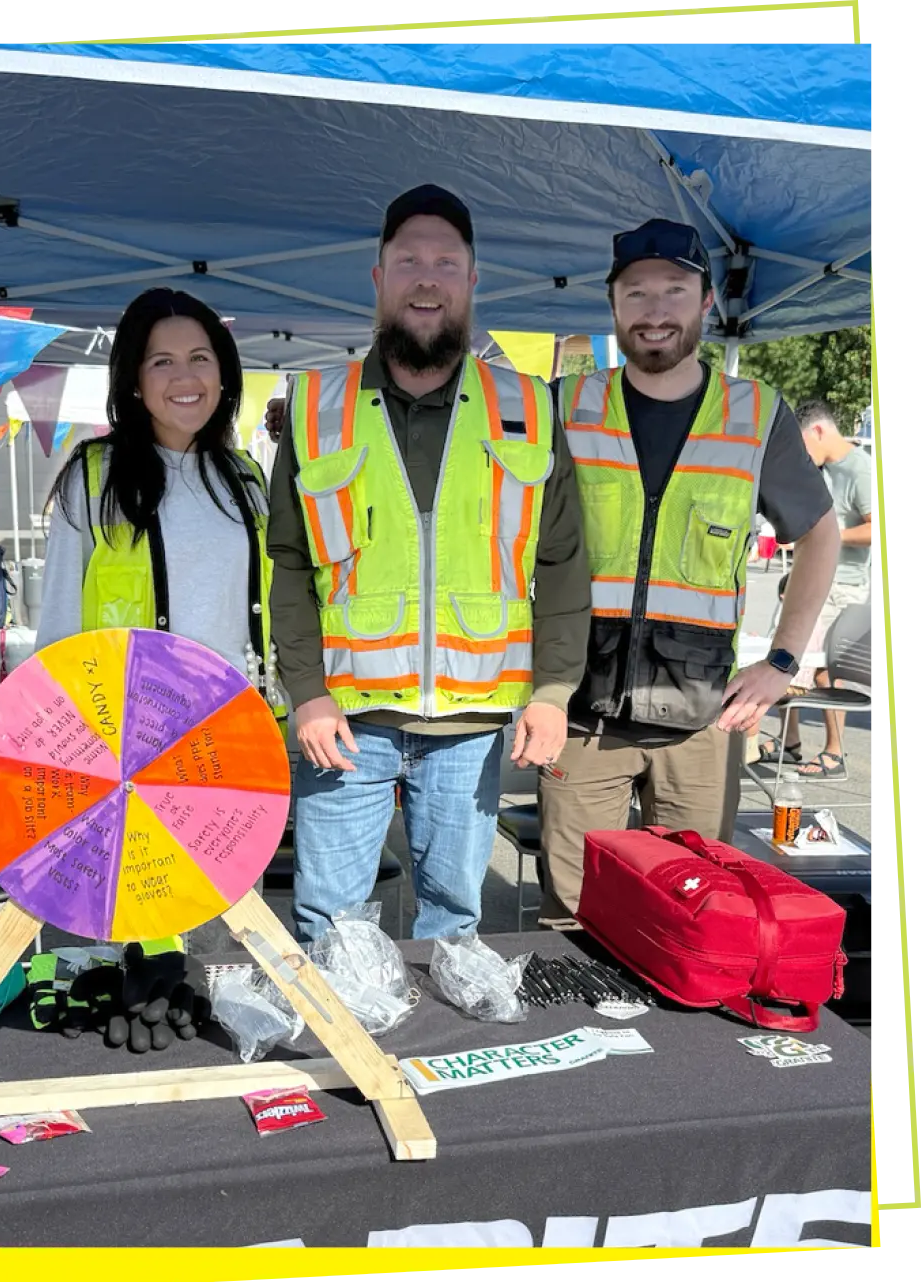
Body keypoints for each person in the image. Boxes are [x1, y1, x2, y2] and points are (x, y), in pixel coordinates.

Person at [265, 184, 590, 945]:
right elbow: (286, 563)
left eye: (446, 261)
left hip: (471, 727)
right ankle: (339, 1063)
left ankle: (434, 1064)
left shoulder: (531, 408)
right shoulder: (315, 407)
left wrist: (553, 689)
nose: (426, 276)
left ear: (473, 281)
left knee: (453, 927)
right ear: (376, 276)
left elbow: (566, 563)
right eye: (407, 259)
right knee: (330, 924)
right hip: (344, 723)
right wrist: (306, 692)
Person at [537, 217, 841, 928]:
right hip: (581, 723)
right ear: (611, 306)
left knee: (696, 919)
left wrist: (783, 663)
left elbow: (821, 535)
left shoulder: (756, 414)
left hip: (703, 723)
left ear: (705, 302)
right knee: (574, 924)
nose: (655, 309)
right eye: (636, 292)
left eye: (674, 290)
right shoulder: (563, 406)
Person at [37, 286, 284, 953]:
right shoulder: (92, 479)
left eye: (201, 358)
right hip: (125, 753)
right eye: (161, 362)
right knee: (128, 939)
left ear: (225, 374)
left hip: (227, 746)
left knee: (220, 935)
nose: (185, 378)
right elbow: (56, 629)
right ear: (134, 382)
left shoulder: (245, 479)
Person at [757, 400, 874, 775]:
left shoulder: (862, 471)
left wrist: (827, 537)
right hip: (814, 579)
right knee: (780, 653)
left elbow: (878, 529)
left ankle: (835, 752)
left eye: (802, 444)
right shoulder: (823, 470)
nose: (801, 455)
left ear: (820, 431)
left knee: (821, 667)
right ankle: (788, 741)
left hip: (842, 587)